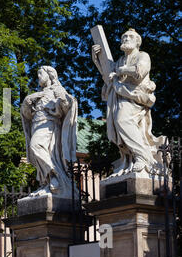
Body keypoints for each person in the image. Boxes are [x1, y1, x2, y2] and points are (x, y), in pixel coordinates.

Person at [92, 29, 166, 175]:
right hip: (120, 97)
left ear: (137, 42)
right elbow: (108, 77)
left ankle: (143, 158)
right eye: (124, 36)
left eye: (130, 36)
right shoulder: (120, 60)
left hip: (134, 97)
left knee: (122, 120)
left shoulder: (142, 55)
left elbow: (139, 72)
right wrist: (97, 59)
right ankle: (130, 159)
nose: (126, 38)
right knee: (117, 128)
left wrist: (121, 71)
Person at [20, 66, 78, 198]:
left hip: (49, 125)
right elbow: (27, 115)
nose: (38, 77)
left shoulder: (57, 90)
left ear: (49, 75)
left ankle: (54, 174)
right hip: (36, 125)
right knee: (39, 151)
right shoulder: (36, 95)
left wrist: (62, 99)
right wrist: (27, 102)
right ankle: (46, 182)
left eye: (40, 74)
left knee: (36, 146)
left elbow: (68, 105)